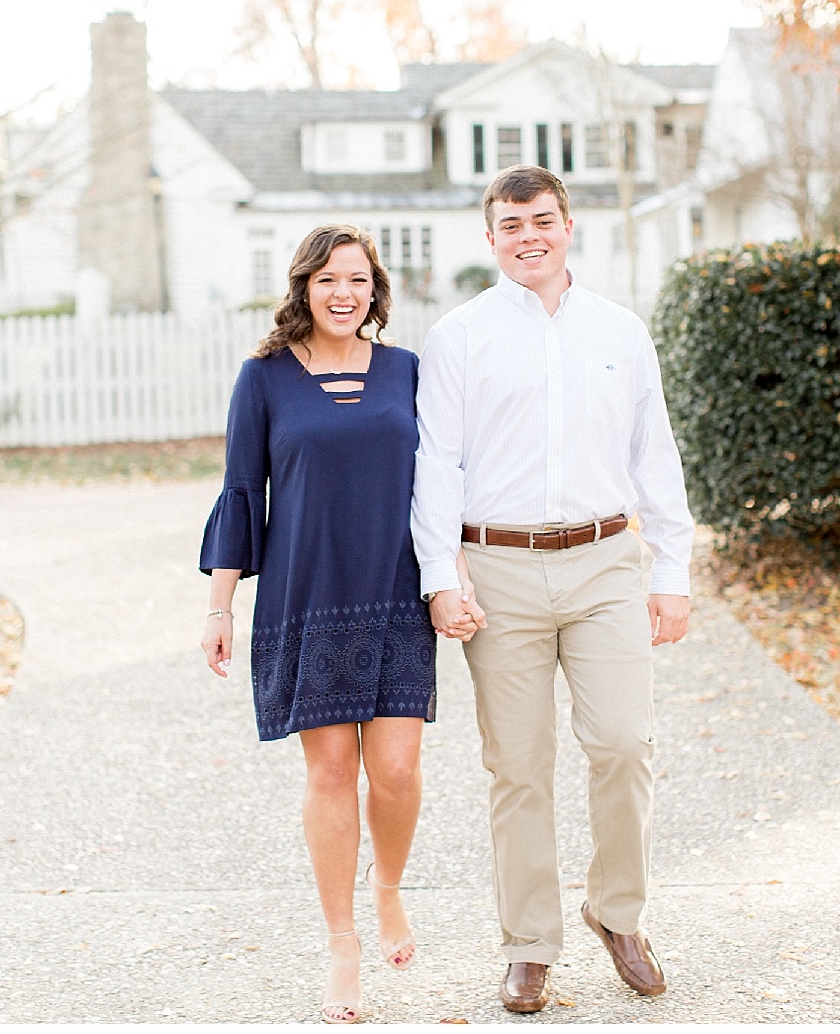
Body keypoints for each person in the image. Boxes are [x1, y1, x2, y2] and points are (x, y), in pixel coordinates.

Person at [412, 165, 694, 1013]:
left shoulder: (620, 331)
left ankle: (618, 912)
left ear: (568, 225)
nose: (527, 235)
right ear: (490, 237)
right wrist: (440, 576)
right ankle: (530, 943)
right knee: (519, 764)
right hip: (498, 569)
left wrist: (672, 571)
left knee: (623, 742)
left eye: (541, 219)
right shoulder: (459, 336)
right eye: (510, 224)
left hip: (605, 561)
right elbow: (437, 464)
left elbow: (654, 453)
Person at [199, 224, 483, 1024]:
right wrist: (219, 605)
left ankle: (387, 887)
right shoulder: (263, 378)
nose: (343, 292)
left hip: (395, 591)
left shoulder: (407, 370)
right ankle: (342, 943)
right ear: (303, 288)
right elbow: (241, 492)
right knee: (329, 772)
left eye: (356, 279)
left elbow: (438, 483)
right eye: (327, 279)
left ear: (375, 289)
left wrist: (453, 575)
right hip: (307, 595)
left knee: (395, 768)